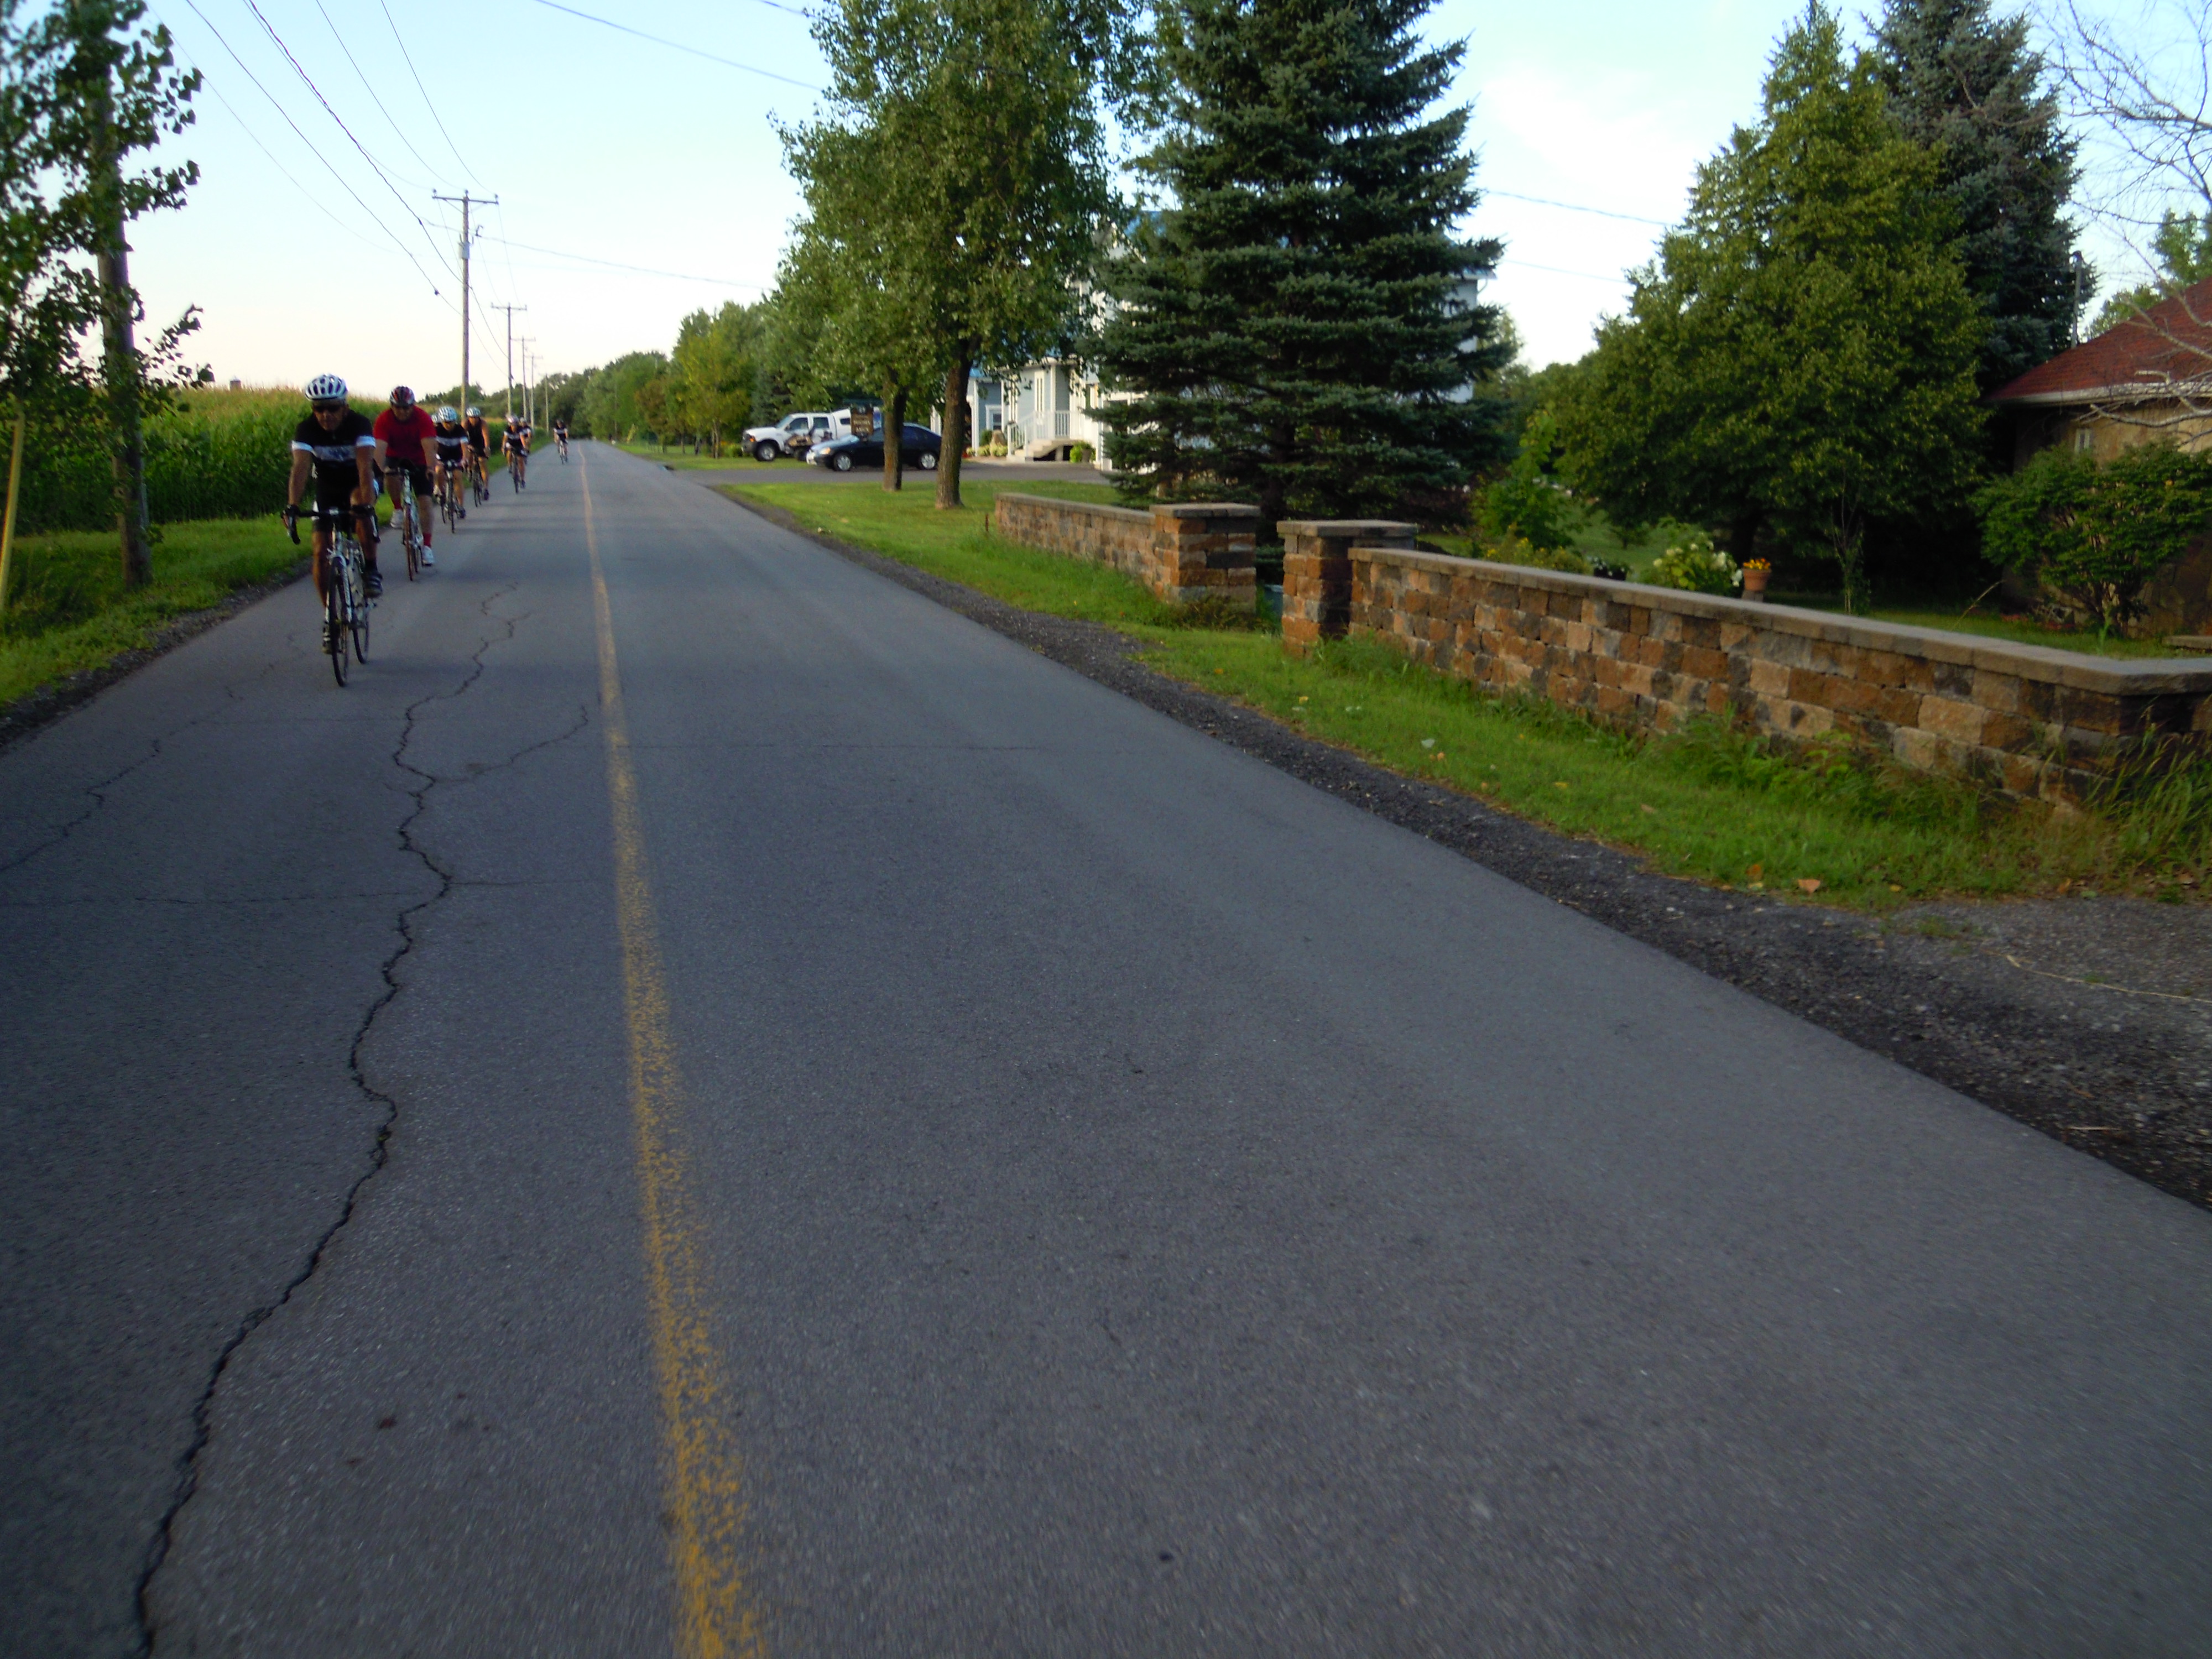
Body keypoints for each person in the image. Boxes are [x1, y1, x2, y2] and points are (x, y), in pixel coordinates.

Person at [286, 373, 380, 605]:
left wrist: (367, 507)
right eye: (319, 409)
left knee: (360, 505)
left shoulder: (359, 424)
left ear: (345, 408)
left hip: (358, 481)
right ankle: (330, 616)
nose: (326, 415)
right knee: (320, 552)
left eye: (332, 408)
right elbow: (300, 468)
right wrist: (293, 506)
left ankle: (370, 569)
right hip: (327, 486)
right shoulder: (306, 429)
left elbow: (364, 467)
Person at [373, 385, 437, 569]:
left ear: (413, 406)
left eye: (406, 408)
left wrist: (431, 468)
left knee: (425, 501)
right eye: (398, 407)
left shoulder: (422, 418)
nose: (402, 411)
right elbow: (379, 448)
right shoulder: (384, 419)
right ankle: (398, 509)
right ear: (392, 406)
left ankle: (427, 546)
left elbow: (429, 447)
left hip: (419, 459)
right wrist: (380, 468)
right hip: (395, 457)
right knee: (390, 475)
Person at [433, 405, 469, 522]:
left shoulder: (460, 430)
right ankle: (440, 490)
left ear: (455, 421)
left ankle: (460, 506)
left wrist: (464, 460)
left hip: (456, 456)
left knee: (458, 477)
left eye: (451, 422)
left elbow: (465, 448)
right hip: (441, 456)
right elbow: (432, 447)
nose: (449, 425)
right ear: (441, 421)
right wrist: (435, 460)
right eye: (446, 422)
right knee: (438, 470)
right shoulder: (436, 430)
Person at [462, 405, 492, 496]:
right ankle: (470, 470)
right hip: (469, 442)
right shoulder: (465, 423)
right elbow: (462, 437)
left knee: (482, 462)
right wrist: (467, 446)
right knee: (469, 456)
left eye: (476, 418)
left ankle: (486, 488)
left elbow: (486, 436)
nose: (474, 420)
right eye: (472, 418)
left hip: (480, 443)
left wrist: (487, 447)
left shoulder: (483, 423)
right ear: (469, 418)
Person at [503, 415, 529, 488]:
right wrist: (503, 447)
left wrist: (524, 446)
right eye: (512, 425)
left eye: (515, 424)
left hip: (519, 444)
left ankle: (522, 480)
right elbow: (505, 439)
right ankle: (510, 465)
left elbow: (522, 438)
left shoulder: (520, 430)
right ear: (509, 424)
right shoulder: (507, 430)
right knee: (509, 451)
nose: (514, 426)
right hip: (510, 443)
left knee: (521, 460)